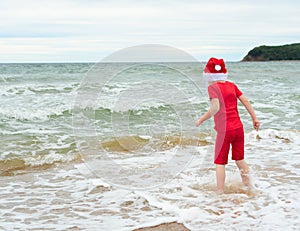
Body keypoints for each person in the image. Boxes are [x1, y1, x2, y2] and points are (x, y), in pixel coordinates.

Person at [196, 57, 260, 193]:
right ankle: (249, 187)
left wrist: (201, 119)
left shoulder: (213, 88)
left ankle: (220, 192)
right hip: (238, 128)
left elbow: (215, 108)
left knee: (220, 162)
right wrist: (254, 118)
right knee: (240, 159)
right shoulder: (232, 85)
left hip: (224, 131)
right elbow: (246, 101)